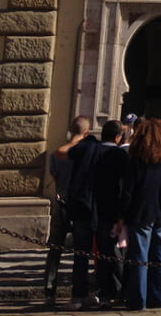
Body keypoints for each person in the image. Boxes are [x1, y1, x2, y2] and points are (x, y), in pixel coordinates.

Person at [121, 118, 161, 310]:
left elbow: (128, 190)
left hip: (141, 211)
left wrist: (122, 215)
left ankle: (138, 300)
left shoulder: (136, 159)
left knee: (140, 257)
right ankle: (158, 298)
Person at [54, 115, 103, 311]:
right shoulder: (97, 148)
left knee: (81, 254)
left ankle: (79, 295)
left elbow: (59, 152)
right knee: (100, 254)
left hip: (80, 208)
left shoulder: (79, 150)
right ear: (88, 131)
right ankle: (98, 293)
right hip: (97, 208)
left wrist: (76, 140)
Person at [42, 116, 85, 305]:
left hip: (60, 204)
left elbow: (54, 175)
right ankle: (78, 294)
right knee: (81, 253)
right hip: (79, 206)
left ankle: (49, 292)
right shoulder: (84, 155)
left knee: (54, 251)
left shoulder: (57, 154)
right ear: (86, 133)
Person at [93, 119, 129, 307]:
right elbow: (125, 187)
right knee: (117, 253)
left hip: (97, 210)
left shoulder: (94, 152)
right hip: (115, 212)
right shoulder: (121, 155)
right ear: (118, 137)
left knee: (103, 251)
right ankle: (118, 289)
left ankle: (104, 290)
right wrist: (123, 215)